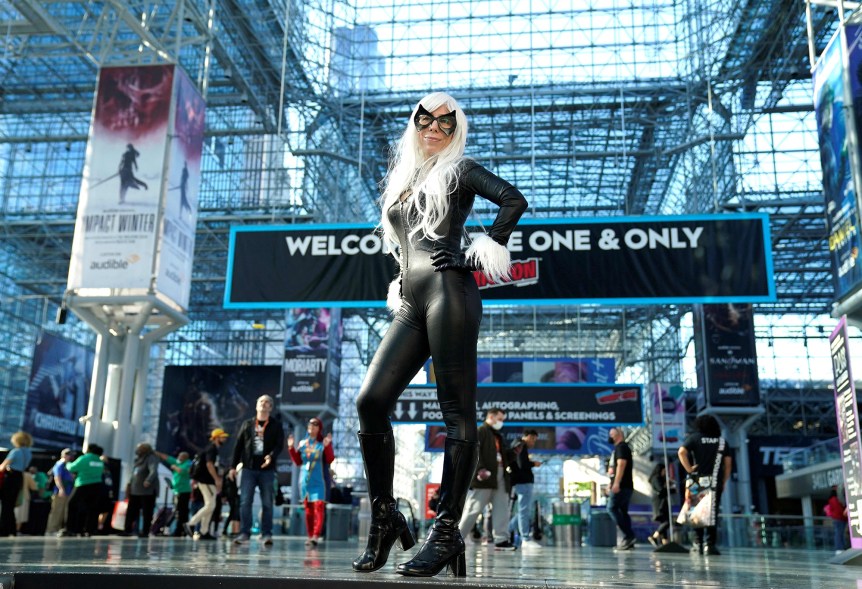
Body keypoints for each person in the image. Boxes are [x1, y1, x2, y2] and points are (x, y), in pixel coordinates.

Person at [353, 92, 527, 577]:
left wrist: (481, 248)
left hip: (451, 293)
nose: (434, 128)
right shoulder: (405, 178)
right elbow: (404, 243)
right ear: (414, 125)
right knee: (370, 401)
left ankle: (447, 531)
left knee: (456, 412)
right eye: (425, 120)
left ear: (456, 129)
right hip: (410, 301)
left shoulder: (460, 169)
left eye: (445, 123)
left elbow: (514, 199)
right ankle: (384, 519)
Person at [228, 395, 284, 546]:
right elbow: (238, 446)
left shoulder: (276, 425)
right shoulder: (247, 424)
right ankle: (244, 533)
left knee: (267, 502)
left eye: (267, 402)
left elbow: (279, 445)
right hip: (248, 468)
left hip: (267, 470)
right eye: (261, 401)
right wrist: (233, 467)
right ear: (256, 405)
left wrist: (271, 456)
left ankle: (266, 534)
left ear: (271, 408)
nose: (264, 404)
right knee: (245, 501)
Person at [458, 408, 515, 550]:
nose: (501, 422)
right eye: (500, 419)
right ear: (491, 416)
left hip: (501, 473)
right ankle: (457, 537)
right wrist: (480, 469)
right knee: (474, 508)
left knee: (502, 507)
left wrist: (514, 452)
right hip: (485, 475)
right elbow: (475, 452)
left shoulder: (498, 436)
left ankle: (501, 539)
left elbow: (503, 456)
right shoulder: (481, 431)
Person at [677, 415, 733, 556]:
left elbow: (681, 452)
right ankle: (710, 544)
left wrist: (689, 469)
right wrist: (724, 481)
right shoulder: (722, 442)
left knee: (697, 512)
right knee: (712, 513)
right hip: (715, 481)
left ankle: (698, 543)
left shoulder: (694, 438)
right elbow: (727, 465)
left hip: (697, 481)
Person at [288, 417, 335, 546]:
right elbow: (297, 462)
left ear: (319, 428)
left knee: (319, 507)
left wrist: (328, 446)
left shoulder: (322, 443)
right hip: (304, 480)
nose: (312, 426)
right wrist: (291, 448)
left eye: (315, 424)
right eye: (310, 424)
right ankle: (310, 536)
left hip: (319, 481)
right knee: (308, 509)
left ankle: (316, 535)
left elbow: (330, 459)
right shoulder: (303, 443)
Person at [184, 428, 229, 540]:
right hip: (206, 481)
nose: (225, 439)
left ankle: (204, 531)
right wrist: (217, 479)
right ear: (216, 438)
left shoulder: (213, 449)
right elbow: (209, 465)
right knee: (210, 505)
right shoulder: (211, 449)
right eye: (222, 437)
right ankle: (190, 523)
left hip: (208, 481)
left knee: (210, 506)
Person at [507, 429, 542, 549]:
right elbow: (522, 464)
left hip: (520, 481)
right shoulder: (521, 445)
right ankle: (525, 538)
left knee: (523, 510)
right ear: (525, 436)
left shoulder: (516, 445)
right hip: (523, 481)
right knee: (524, 511)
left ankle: (506, 531)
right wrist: (533, 464)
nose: (533, 442)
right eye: (532, 439)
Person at [65, 443, 105, 536]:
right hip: (96, 486)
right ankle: (89, 530)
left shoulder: (85, 458)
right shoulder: (100, 461)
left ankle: (70, 529)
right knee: (91, 508)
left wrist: (67, 463)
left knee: (72, 505)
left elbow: (72, 468)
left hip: (83, 484)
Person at [607, 427, 636, 550]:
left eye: (612, 434)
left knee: (611, 508)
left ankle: (629, 535)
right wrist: (612, 482)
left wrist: (616, 483)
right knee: (623, 512)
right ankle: (629, 539)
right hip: (625, 485)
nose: (610, 436)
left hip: (622, 486)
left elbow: (621, 464)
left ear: (618, 435)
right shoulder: (619, 448)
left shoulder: (621, 447)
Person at [0, 431, 33, 536]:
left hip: (10, 478)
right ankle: (12, 530)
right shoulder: (28, 452)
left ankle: (4, 530)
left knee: (6, 505)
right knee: (11, 505)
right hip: (19, 478)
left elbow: (2, 467)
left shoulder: (16, 451)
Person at [125, 442, 160, 537]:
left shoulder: (151, 458)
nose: (138, 450)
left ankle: (145, 531)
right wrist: (129, 484)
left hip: (147, 491)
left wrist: (148, 480)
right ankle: (127, 530)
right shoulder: (138, 460)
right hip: (135, 490)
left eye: (140, 448)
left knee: (147, 512)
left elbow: (153, 471)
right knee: (131, 511)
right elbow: (133, 474)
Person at [156, 450, 192, 536]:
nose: (179, 458)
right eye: (179, 456)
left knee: (181, 512)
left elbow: (182, 471)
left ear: (185, 458)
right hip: (177, 490)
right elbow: (166, 457)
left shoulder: (188, 463)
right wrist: (156, 453)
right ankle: (181, 529)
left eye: (181, 457)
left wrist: (174, 467)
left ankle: (180, 530)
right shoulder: (177, 462)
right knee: (178, 511)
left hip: (184, 491)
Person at [647, 463, 674, 547]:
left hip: (662, 502)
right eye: (664, 470)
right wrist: (670, 489)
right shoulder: (656, 478)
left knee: (664, 522)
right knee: (667, 522)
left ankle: (665, 542)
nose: (665, 472)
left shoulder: (660, 479)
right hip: (659, 503)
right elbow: (661, 490)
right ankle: (654, 536)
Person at [825, 486, 848, 552]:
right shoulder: (835, 499)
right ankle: (840, 548)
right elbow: (839, 510)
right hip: (840, 518)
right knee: (839, 533)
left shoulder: (831, 499)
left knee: (839, 533)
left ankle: (841, 548)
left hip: (837, 518)